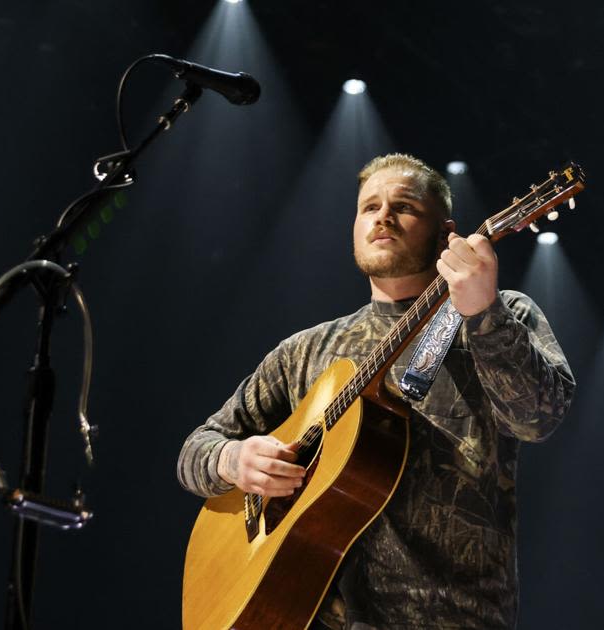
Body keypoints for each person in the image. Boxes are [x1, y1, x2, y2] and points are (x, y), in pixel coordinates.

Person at [176, 153, 575, 629]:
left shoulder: (499, 312)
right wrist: (234, 460)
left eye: (403, 206)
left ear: (446, 231)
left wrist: (484, 314)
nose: (383, 216)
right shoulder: (305, 351)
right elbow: (194, 451)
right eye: (369, 207)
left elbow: (537, 419)